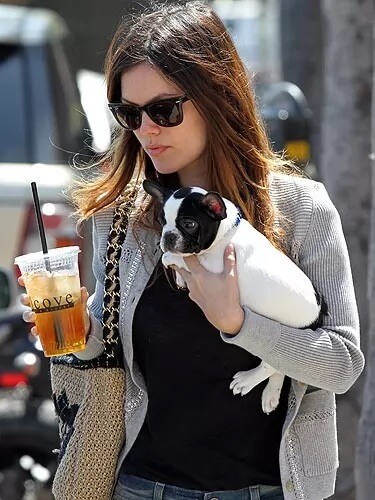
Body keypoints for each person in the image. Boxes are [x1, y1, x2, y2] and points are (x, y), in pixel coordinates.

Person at [20, 1, 364, 499]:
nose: (147, 130)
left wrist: (239, 324)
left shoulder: (300, 210)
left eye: (164, 110)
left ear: (215, 96)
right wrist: (80, 331)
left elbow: (342, 365)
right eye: (129, 113)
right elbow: (109, 350)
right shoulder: (125, 217)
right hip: (140, 487)